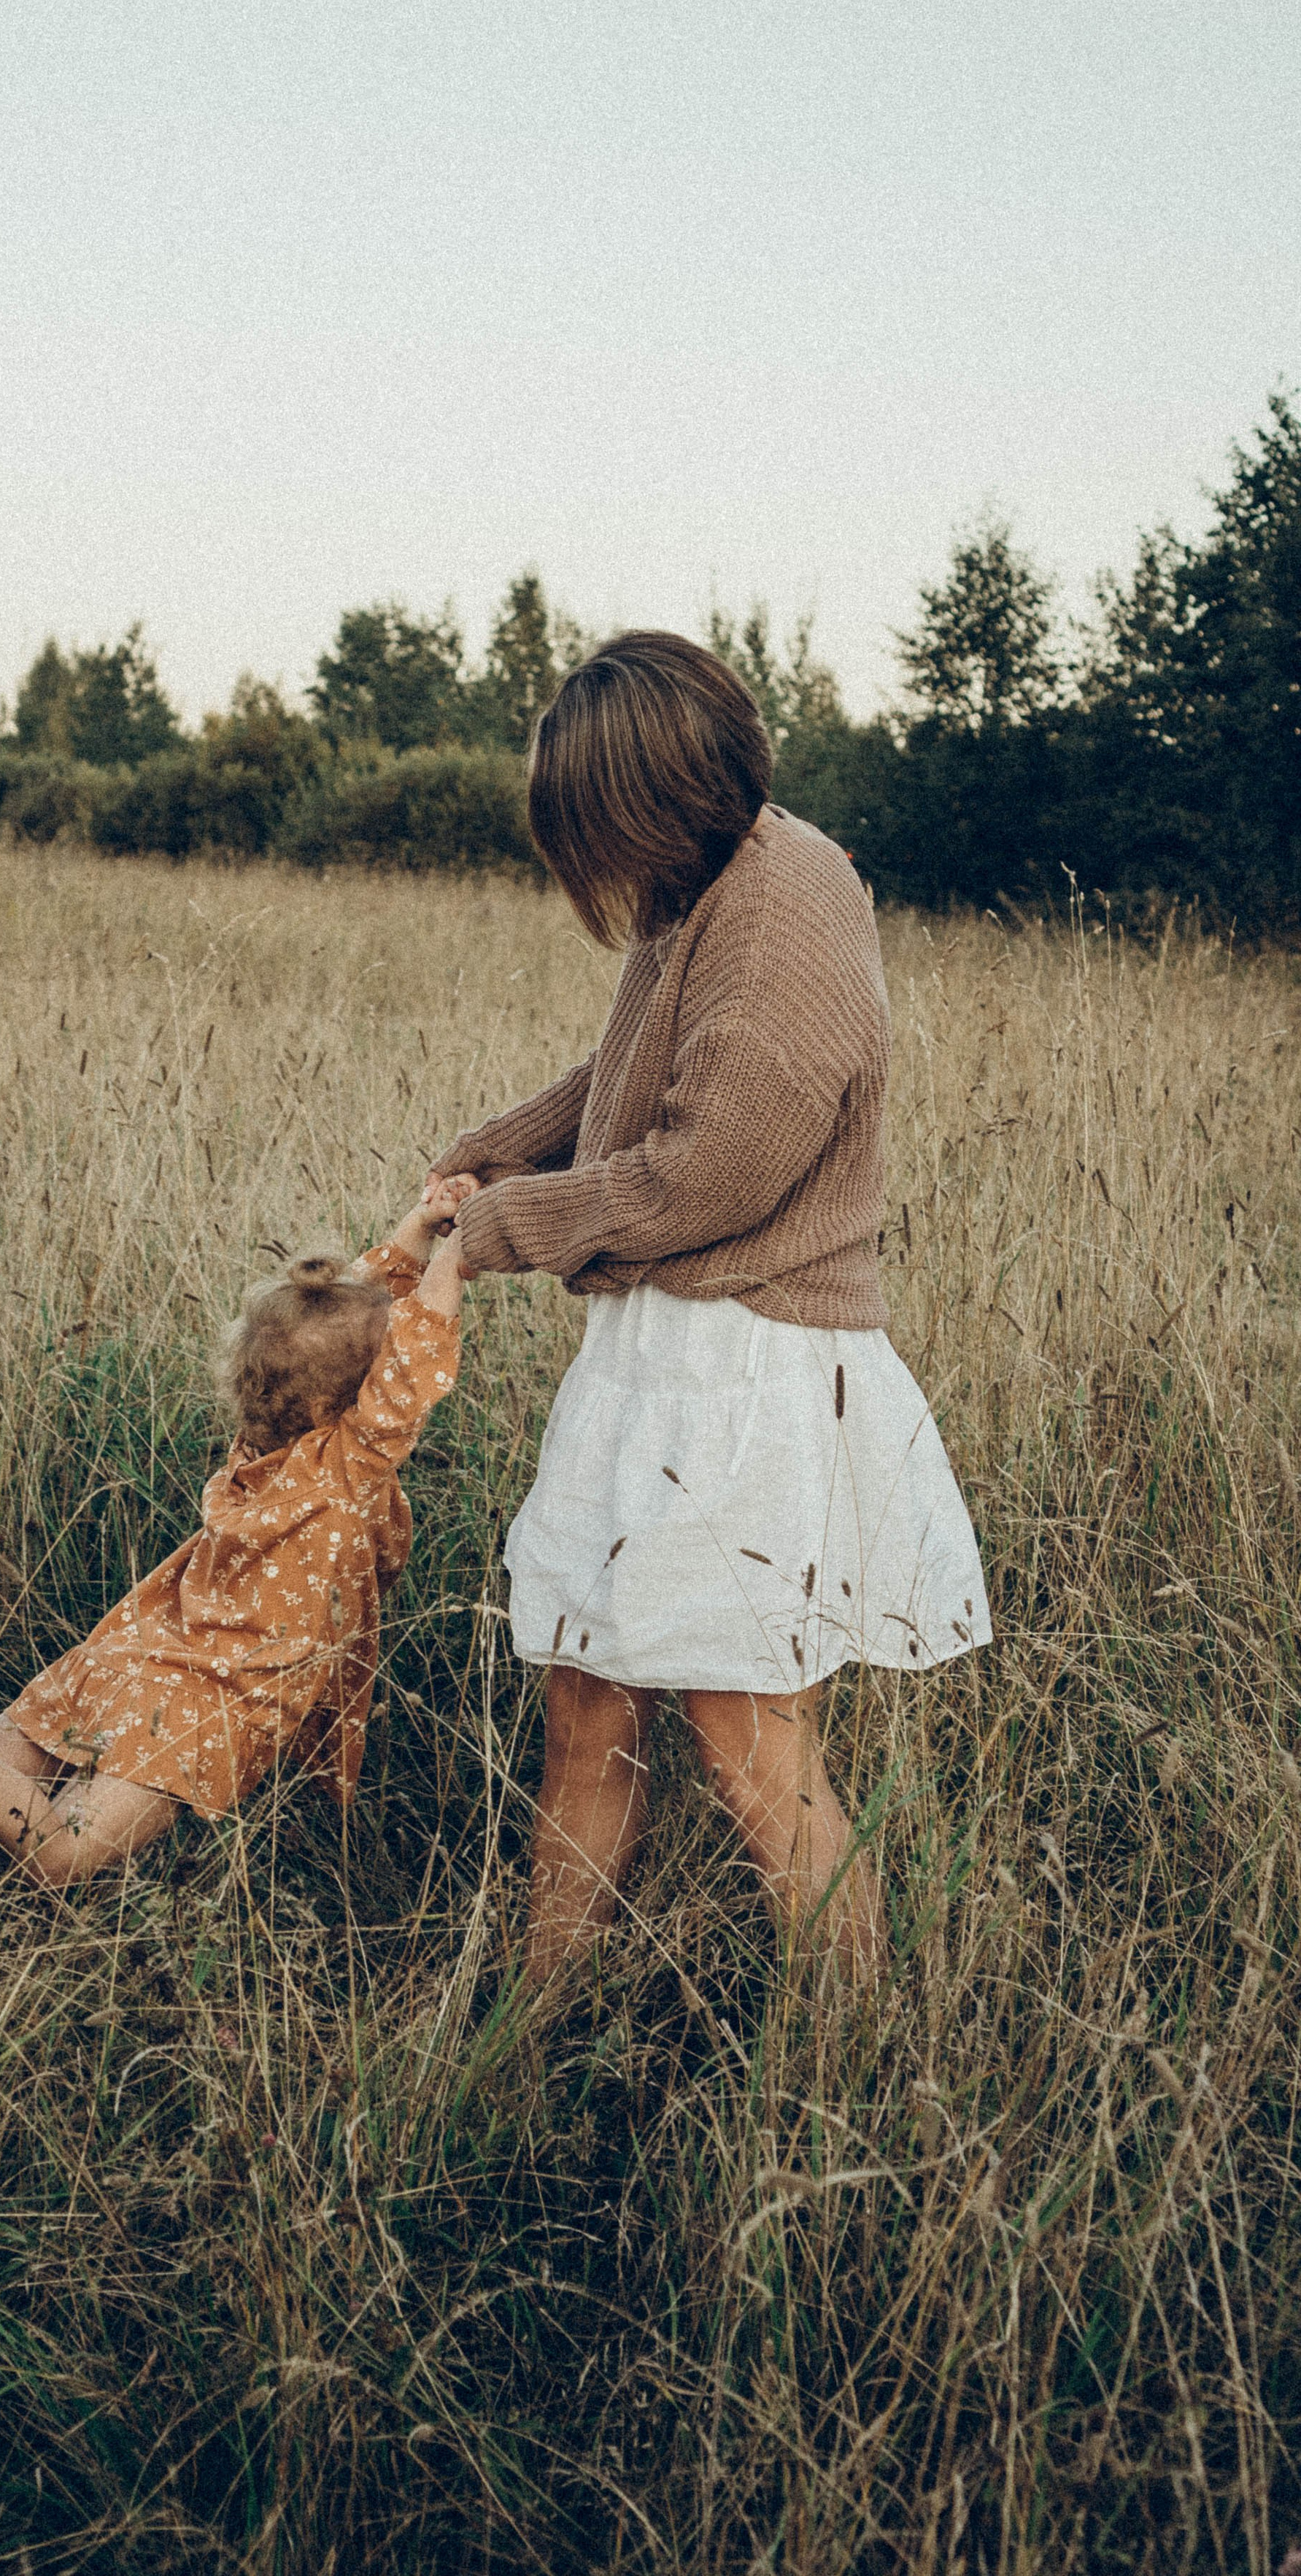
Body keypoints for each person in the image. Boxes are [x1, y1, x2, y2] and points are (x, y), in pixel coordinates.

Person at [425, 631, 989, 1985]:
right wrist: (495, 1150)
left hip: (748, 1368)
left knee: (750, 1749)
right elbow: (635, 1069)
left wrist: (502, 1227)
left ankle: (862, 2045)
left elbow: (704, 1174)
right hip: (664, 1358)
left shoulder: (787, 905)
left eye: (594, 828)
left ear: (654, 798)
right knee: (586, 1703)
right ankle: (530, 2026)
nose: (596, 868)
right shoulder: (710, 877)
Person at [0, 1186, 473, 1883]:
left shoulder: (262, 1447)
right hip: (202, 1704)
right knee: (63, 1853)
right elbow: (409, 1362)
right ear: (336, 1407)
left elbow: (343, 1319)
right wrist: (464, 1247)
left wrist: (422, 1226)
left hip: (132, 1651)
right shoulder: (341, 1473)